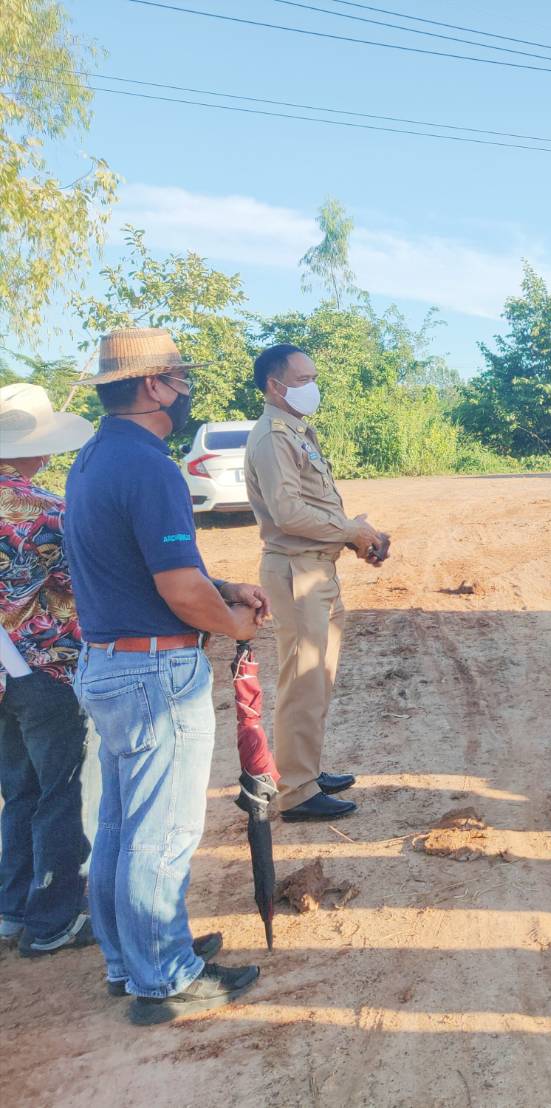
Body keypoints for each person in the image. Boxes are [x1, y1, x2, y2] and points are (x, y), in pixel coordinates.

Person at [66, 327, 266, 1024]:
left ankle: (133, 957)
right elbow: (179, 588)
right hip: (153, 671)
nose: (185, 390)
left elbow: (144, 565)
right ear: (152, 385)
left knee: (121, 825)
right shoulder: (150, 466)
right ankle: (164, 977)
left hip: (110, 662)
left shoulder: (96, 456)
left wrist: (224, 586)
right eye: (179, 378)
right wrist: (235, 624)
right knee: (163, 831)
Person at [245, 344, 387, 823]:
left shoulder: (295, 431)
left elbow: (312, 506)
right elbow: (287, 513)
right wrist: (350, 530)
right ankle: (297, 792)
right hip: (296, 571)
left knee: (317, 681)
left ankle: (304, 771)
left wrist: (354, 535)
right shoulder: (273, 438)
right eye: (302, 380)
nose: (312, 388)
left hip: (316, 568)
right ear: (274, 386)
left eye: (313, 378)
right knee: (302, 681)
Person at [0, 384, 95, 957]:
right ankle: (54, 919)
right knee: (59, 791)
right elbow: (80, 583)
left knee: (19, 791)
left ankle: (13, 908)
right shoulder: (46, 511)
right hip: (43, 668)